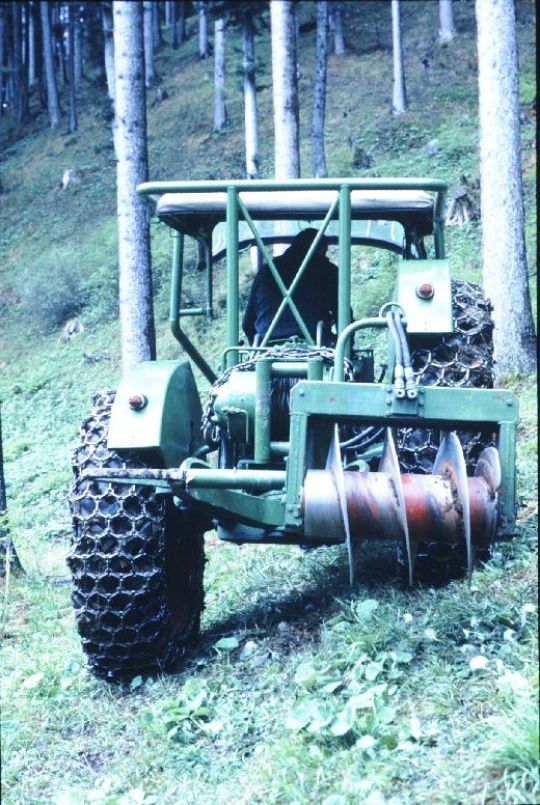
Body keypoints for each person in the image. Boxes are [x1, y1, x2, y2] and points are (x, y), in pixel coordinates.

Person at [242, 228, 339, 345]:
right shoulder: (328, 271)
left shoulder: (266, 271)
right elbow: (342, 315)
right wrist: (348, 350)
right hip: (315, 345)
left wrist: (257, 349)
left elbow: (247, 323)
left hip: (267, 346)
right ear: (321, 249)